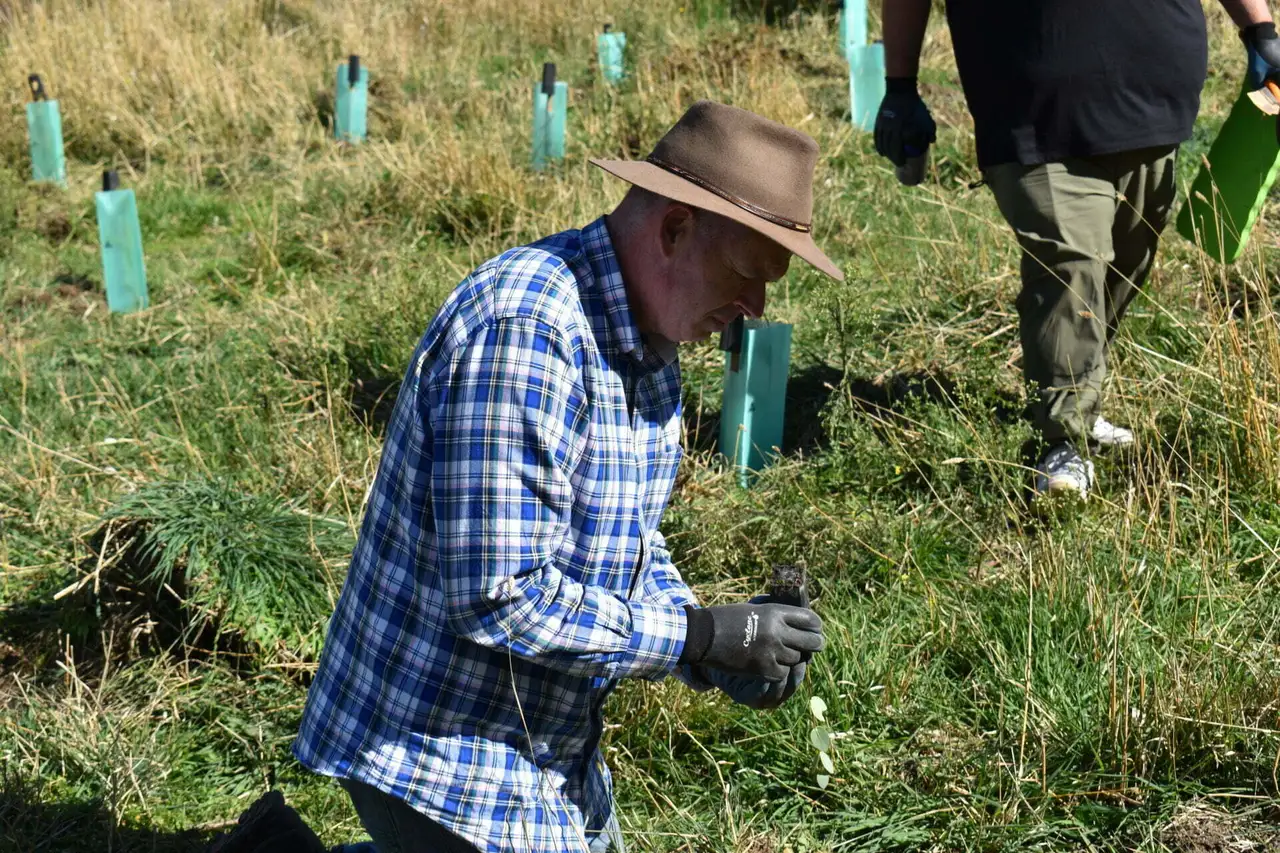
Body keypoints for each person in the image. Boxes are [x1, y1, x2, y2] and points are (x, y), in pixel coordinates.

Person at [251, 101, 838, 853]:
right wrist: (698, 635)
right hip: (434, 750)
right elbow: (502, 596)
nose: (755, 308)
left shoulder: (649, 347)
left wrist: (726, 651)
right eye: (747, 274)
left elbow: (627, 544)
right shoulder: (528, 333)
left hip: (544, 744)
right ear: (674, 228)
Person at [873, 0, 1280, 503]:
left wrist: (1259, 29)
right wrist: (899, 86)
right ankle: (1065, 438)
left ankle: (1079, 394)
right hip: (1029, 113)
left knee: (1126, 260)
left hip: (1154, 108)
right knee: (1071, 265)